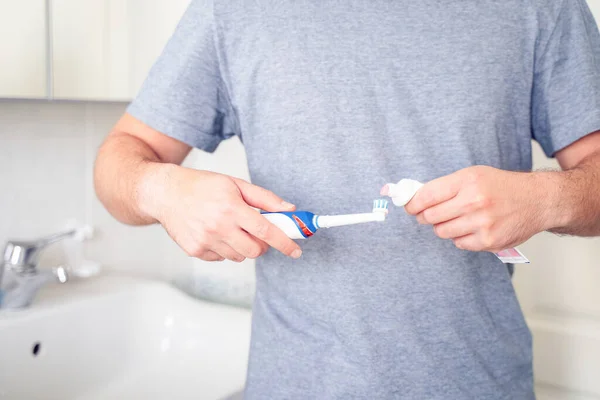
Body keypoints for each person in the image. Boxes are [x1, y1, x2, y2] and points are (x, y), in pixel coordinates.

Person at [94, 0, 600, 398]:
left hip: (479, 385)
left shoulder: (543, 6)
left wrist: (545, 198)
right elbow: (117, 163)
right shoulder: (233, 10)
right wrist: (161, 190)